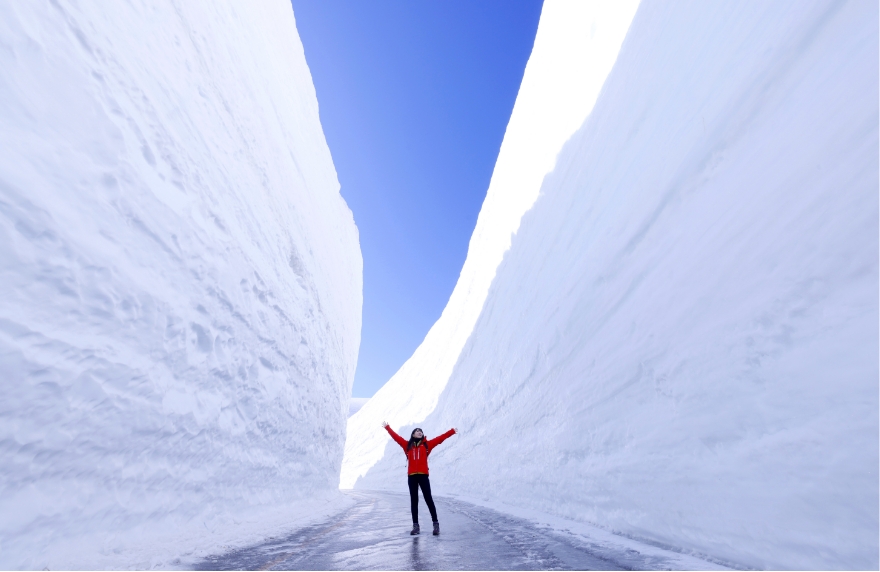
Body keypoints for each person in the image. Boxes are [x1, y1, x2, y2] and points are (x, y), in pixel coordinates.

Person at [382, 421, 457, 535]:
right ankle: (416, 526)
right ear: (413, 435)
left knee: (428, 499)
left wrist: (451, 432)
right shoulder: (407, 445)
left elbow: (440, 439)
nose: (420, 432)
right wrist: (388, 428)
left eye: (421, 431)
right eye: (417, 431)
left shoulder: (427, 445)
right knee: (414, 501)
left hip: (423, 475)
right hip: (412, 476)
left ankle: (436, 524)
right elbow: (396, 438)